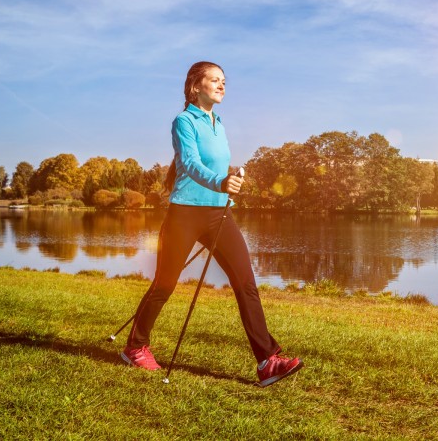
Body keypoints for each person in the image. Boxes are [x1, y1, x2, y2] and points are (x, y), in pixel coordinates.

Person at [121, 61, 303, 387]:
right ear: (195, 86)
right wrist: (221, 181)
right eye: (214, 80)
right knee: (164, 285)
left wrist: (230, 183)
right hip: (184, 214)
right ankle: (135, 347)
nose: (221, 85)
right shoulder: (183, 121)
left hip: (220, 214)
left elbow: (220, 168)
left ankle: (267, 361)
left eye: (223, 81)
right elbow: (189, 163)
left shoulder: (219, 122)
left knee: (245, 282)